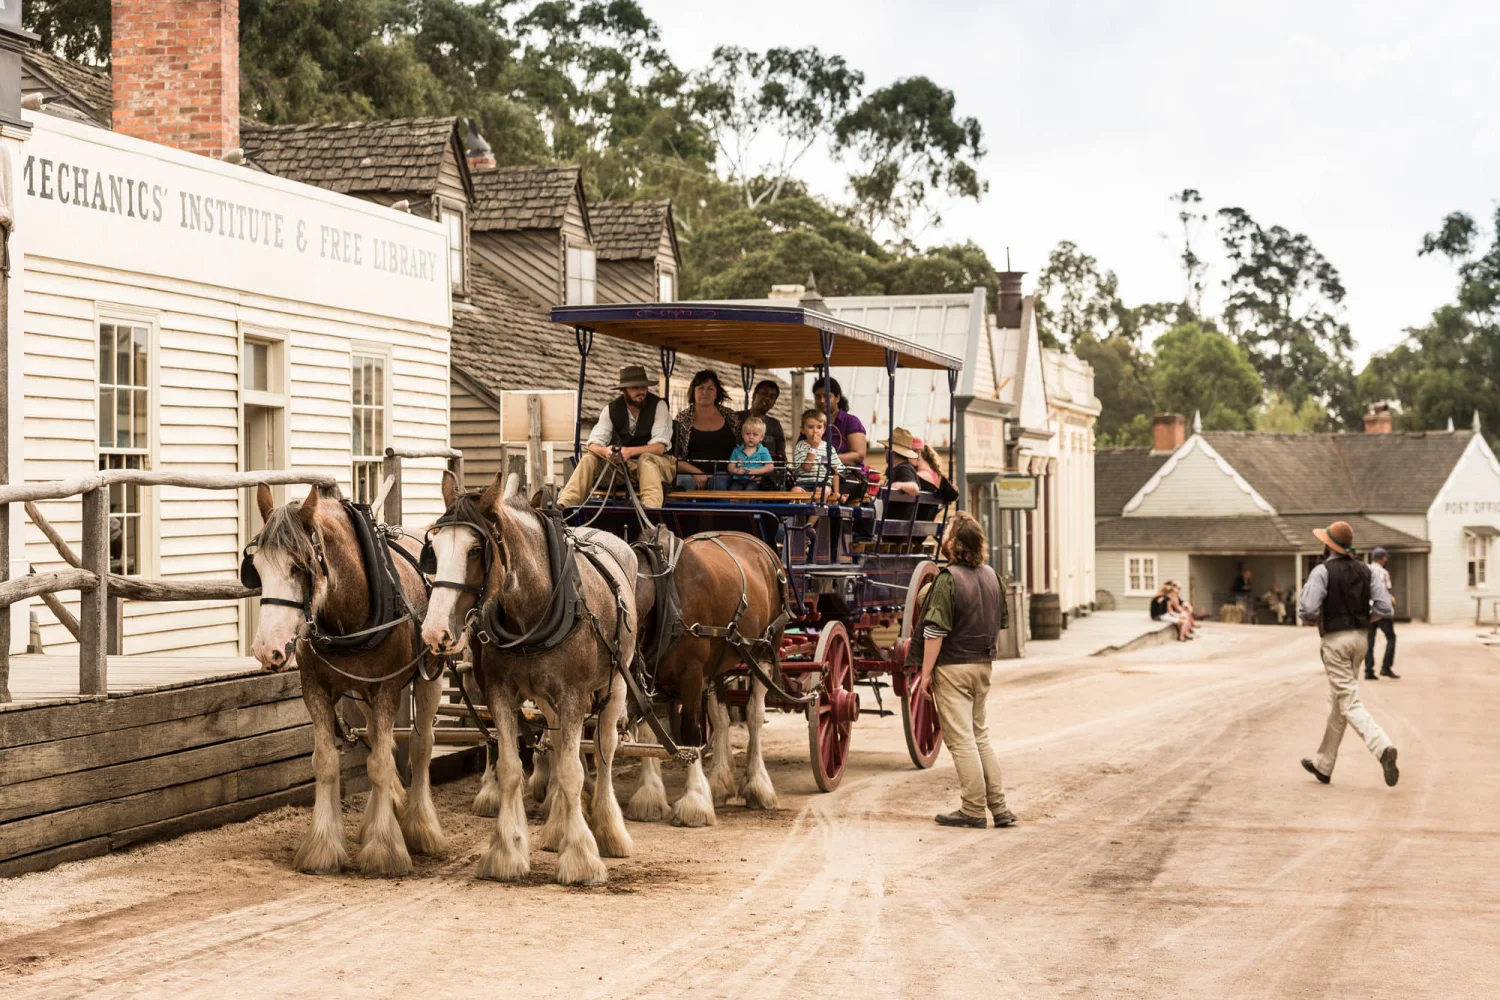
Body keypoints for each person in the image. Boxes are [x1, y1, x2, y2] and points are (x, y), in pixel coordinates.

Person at [910, 510, 1015, 829]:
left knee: (961, 741)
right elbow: (1001, 621)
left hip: (953, 667)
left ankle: (972, 809)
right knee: (980, 735)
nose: (943, 539)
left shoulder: (948, 578)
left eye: (947, 534)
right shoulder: (992, 576)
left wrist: (926, 674)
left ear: (956, 543)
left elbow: (934, 631)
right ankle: (999, 807)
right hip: (982, 665)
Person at [1298, 521, 1400, 788]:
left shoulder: (1322, 571)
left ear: (1328, 545)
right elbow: (1386, 608)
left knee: (1349, 701)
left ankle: (1383, 747)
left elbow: (1308, 609)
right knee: (1338, 701)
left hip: (1335, 641)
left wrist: (1312, 618)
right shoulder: (1367, 570)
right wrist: (1367, 617)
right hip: (1360, 640)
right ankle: (1323, 764)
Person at [557, 364, 674, 508]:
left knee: (646, 459)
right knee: (589, 459)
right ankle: (564, 506)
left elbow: (659, 448)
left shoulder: (659, 405)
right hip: (625, 469)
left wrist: (630, 452)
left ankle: (650, 511)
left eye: (643, 387)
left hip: (658, 465)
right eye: (635, 388)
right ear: (624, 390)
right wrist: (605, 452)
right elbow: (592, 445)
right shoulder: (611, 409)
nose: (641, 391)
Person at [673, 369, 739, 492]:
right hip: (690, 473)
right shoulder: (682, 419)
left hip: (725, 474)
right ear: (693, 392)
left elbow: (742, 448)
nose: (705, 392)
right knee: (685, 484)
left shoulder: (730, 416)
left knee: (717, 484)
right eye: (700, 388)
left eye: (710, 389)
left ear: (716, 393)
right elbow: (675, 457)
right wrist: (696, 473)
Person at [735, 380, 788, 486]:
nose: (767, 398)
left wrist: (766, 476)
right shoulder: (736, 418)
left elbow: (781, 457)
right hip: (737, 474)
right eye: (764, 394)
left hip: (766, 479)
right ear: (754, 395)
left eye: (772, 397)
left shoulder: (775, 425)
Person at [810, 375, 868, 469]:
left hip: (848, 476)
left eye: (826, 396)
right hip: (816, 475)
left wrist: (826, 460)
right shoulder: (810, 423)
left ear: (837, 398)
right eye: (818, 397)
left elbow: (858, 455)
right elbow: (801, 450)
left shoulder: (851, 421)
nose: (821, 401)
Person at [792, 409, 845, 501]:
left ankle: (815, 514)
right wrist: (813, 448)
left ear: (824, 430)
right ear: (803, 430)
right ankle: (801, 514)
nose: (815, 431)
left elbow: (836, 471)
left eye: (819, 427)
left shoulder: (829, 448)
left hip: (822, 483)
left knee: (823, 492)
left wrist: (836, 491)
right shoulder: (800, 446)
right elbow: (806, 467)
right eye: (810, 427)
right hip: (803, 483)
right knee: (794, 492)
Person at [1365, 547, 1399, 680]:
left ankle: (1368, 671)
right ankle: (1386, 667)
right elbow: (1384, 592)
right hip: (1381, 610)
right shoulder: (1384, 573)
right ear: (1382, 558)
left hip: (1368, 609)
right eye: (1385, 558)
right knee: (1391, 637)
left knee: (1370, 640)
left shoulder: (1365, 570)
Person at [728, 416, 775, 490]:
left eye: (755, 435)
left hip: (754, 480)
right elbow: (730, 466)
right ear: (743, 435)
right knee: (733, 490)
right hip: (738, 479)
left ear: (761, 437)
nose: (751, 437)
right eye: (747, 434)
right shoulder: (737, 451)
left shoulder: (763, 451)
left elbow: (770, 467)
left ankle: (751, 502)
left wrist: (756, 471)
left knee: (750, 490)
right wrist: (736, 470)